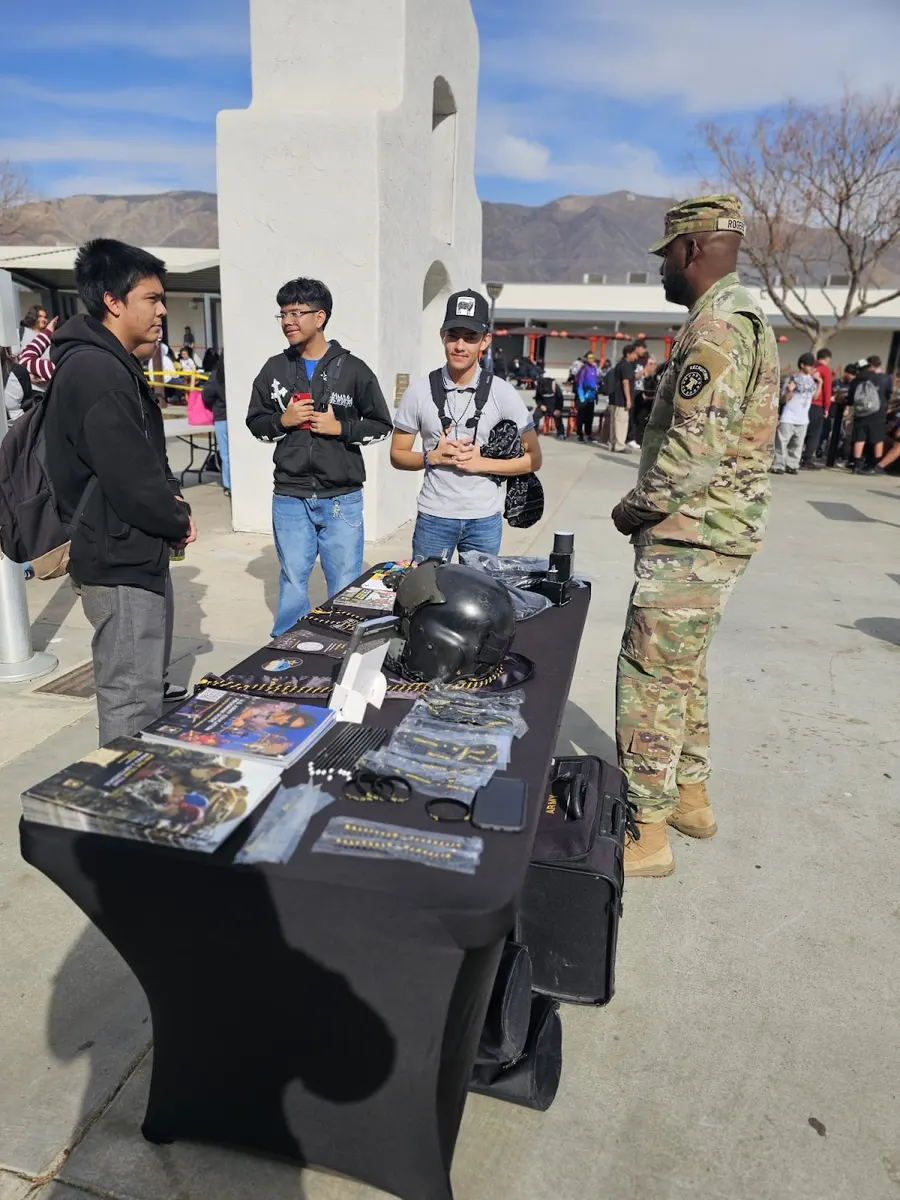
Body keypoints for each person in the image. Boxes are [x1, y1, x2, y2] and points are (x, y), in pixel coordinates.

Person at [610, 195, 779, 878]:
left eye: (665, 260)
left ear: (690, 251)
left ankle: (647, 834)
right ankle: (690, 797)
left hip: (692, 535)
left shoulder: (716, 329)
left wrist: (634, 508)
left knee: (648, 676)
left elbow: (691, 455)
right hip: (714, 534)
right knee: (683, 671)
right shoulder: (742, 320)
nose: (661, 274)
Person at [43, 239, 196, 745]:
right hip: (119, 560)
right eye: (151, 299)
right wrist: (177, 519)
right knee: (132, 701)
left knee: (143, 690)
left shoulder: (112, 364)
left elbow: (146, 460)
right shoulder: (97, 372)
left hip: (130, 550)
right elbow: (132, 480)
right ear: (113, 301)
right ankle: (126, 809)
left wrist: (174, 506)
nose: (161, 311)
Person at [246, 277, 392, 636]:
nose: (288, 321)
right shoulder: (274, 369)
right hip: (290, 496)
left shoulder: (354, 370)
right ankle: (288, 647)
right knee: (294, 579)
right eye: (282, 314)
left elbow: (382, 424)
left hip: (342, 498)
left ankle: (343, 645)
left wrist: (340, 428)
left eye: (297, 313)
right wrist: (284, 420)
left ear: (321, 317)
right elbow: (255, 422)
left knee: (344, 581)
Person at [390, 289, 542, 561]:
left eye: (470, 338)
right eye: (453, 336)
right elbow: (397, 455)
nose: (460, 346)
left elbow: (534, 459)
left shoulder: (503, 392)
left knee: (479, 600)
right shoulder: (419, 391)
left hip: (484, 520)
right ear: (442, 336)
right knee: (426, 597)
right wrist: (431, 457)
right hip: (434, 517)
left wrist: (481, 463)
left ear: (485, 341)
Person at [771, 352, 821, 475]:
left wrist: (820, 383)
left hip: (803, 418)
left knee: (797, 444)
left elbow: (815, 397)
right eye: (809, 365)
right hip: (789, 416)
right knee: (782, 443)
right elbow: (783, 399)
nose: (811, 368)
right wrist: (789, 391)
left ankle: (792, 465)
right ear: (802, 365)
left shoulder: (812, 380)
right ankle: (778, 465)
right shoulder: (792, 378)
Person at [848, 354, 892, 474]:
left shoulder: (857, 379)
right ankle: (874, 465)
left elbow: (850, 398)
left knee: (859, 438)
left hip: (861, 412)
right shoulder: (883, 378)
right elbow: (888, 393)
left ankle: (856, 465)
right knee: (877, 438)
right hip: (878, 412)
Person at [202, 353, 229, 496]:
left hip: (221, 417)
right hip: (239, 417)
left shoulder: (215, 376)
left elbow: (206, 396)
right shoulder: (237, 373)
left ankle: (228, 485)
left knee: (225, 454)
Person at [801, 348, 832, 468]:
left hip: (805, 404)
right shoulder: (825, 370)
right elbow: (827, 390)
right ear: (828, 358)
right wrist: (827, 408)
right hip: (817, 405)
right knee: (814, 433)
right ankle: (807, 459)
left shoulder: (811, 369)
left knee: (803, 431)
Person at [608, 343, 641, 452]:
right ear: (628, 354)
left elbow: (630, 378)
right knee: (621, 422)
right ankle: (619, 445)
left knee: (614, 422)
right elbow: (626, 382)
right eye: (634, 354)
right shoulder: (626, 365)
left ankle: (613, 443)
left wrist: (643, 372)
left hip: (614, 398)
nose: (636, 357)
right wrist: (628, 399)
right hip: (621, 399)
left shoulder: (620, 364)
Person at [574, 352, 599, 442]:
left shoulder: (594, 368)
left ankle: (588, 434)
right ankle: (579, 434)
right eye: (590, 358)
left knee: (589, 416)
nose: (592, 359)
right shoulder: (583, 369)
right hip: (584, 396)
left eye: (593, 357)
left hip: (591, 397)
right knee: (581, 416)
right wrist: (581, 397)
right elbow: (579, 384)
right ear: (586, 359)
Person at [534, 371, 565, 439]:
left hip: (554, 406)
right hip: (544, 406)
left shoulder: (554, 386)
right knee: (535, 415)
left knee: (558, 416)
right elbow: (537, 398)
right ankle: (535, 433)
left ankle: (561, 433)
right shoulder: (539, 387)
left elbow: (560, 399)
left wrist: (558, 409)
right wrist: (540, 405)